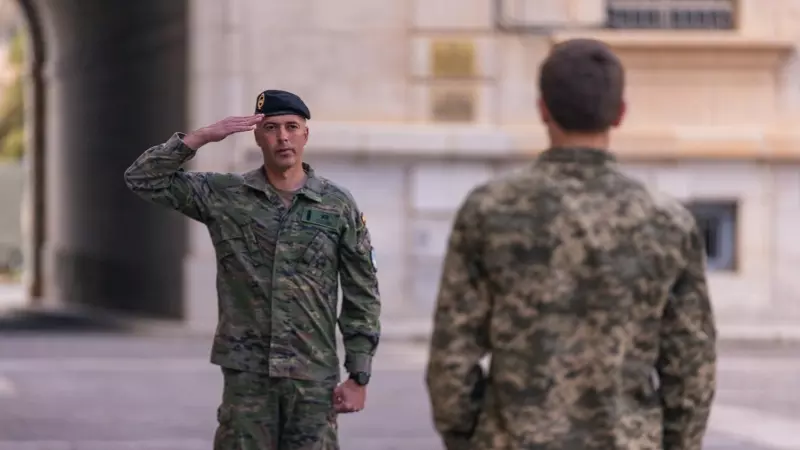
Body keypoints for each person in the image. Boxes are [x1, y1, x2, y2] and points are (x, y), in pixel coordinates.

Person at [424, 38, 717, 450]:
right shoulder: (667, 220)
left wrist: (465, 436)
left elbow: (452, 354)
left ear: (543, 108)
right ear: (620, 113)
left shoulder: (489, 209)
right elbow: (691, 363)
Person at [124, 89, 381, 450]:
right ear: (257, 136)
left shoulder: (336, 205)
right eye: (272, 128)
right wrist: (199, 138)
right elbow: (142, 179)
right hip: (247, 376)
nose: (283, 137)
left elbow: (362, 292)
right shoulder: (226, 195)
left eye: (292, 127)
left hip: (311, 375)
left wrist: (359, 375)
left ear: (306, 134)